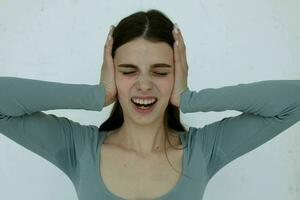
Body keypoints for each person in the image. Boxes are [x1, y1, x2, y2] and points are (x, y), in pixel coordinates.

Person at [0, 9, 299, 200]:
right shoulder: (79, 147)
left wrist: (189, 99)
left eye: (160, 71)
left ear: (178, 74)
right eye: (128, 71)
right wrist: (97, 94)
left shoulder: (204, 149)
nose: (144, 85)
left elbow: (293, 101)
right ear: (111, 72)